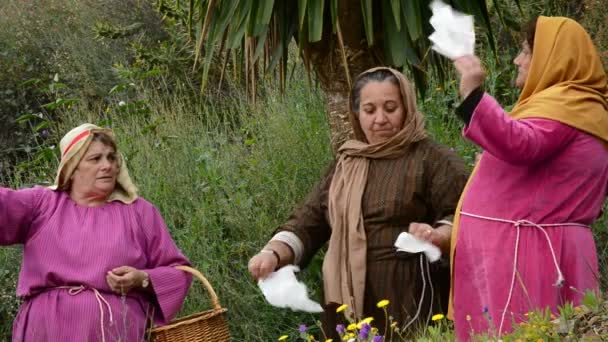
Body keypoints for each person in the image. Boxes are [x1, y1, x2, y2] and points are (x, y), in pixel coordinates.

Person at [248, 67, 469, 338]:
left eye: (391, 108)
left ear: (407, 107)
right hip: (346, 302)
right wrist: (273, 254)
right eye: (369, 110)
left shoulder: (433, 160)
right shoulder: (346, 164)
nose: (380, 119)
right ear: (357, 114)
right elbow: (311, 219)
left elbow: (462, 215)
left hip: (411, 297)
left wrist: (437, 236)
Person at [449, 16, 608, 340]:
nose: (517, 60)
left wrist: (472, 92)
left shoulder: (567, 105)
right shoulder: (580, 109)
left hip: (528, 256)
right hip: (533, 248)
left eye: (525, 51)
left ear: (553, 56)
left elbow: (520, 143)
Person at [1, 123, 192, 341]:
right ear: (72, 168)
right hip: (46, 330)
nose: (107, 165)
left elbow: (180, 272)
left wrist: (143, 278)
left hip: (115, 332)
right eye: (95, 159)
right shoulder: (42, 204)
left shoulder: (139, 212)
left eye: (111, 158)